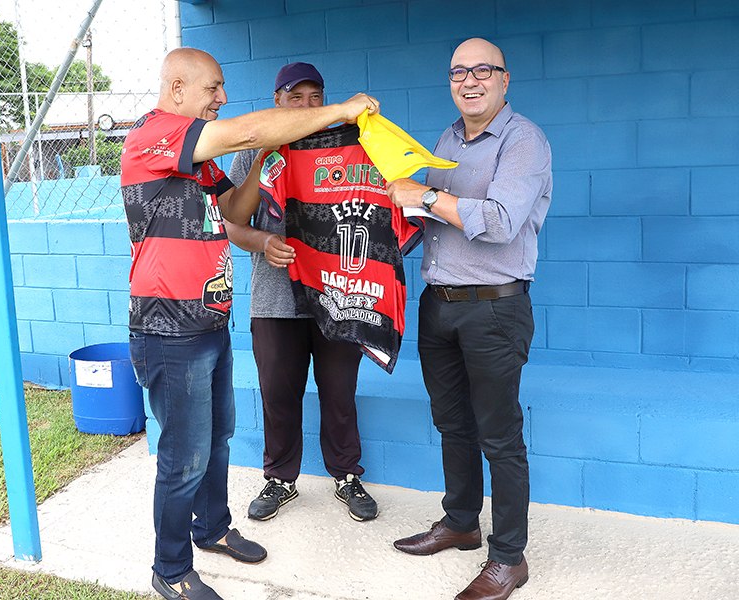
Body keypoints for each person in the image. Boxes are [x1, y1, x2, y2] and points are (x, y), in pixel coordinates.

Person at [121, 48, 379, 600]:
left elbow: (234, 212)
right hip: (168, 328)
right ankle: (170, 570)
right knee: (182, 457)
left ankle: (211, 529)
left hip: (208, 322)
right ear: (178, 89)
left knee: (216, 439)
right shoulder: (154, 135)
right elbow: (242, 132)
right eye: (213, 88)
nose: (222, 97)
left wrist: (261, 159)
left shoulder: (199, 161)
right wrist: (337, 111)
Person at [386, 38, 552, 600]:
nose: (470, 80)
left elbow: (502, 221)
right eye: (459, 71)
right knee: (452, 424)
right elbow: (427, 218)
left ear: (505, 80)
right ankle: (460, 523)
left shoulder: (524, 140)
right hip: (440, 306)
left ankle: (508, 558)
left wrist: (426, 195)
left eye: (483, 70)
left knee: (499, 436)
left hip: (495, 309)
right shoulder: (447, 139)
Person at [225, 62, 378, 523]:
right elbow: (233, 221)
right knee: (278, 392)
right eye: (297, 98)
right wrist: (263, 241)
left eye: (316, 97)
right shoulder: (254, 150)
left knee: (339, 391)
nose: (308, 106)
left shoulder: (349, 147)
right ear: (278, 101)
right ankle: (280, 479)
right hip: (275, 299)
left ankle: (347, 475)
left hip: (336, 294)